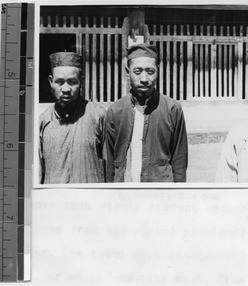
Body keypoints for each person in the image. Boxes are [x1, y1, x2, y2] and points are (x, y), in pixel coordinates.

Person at [106, 43, 188, 182]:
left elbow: (179, 161)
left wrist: (178, 194)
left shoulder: (173, 109)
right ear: (127, 72)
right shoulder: (115, 111)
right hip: (124, 192)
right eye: (137, 72)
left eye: (150, 71)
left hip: (160, 193)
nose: (144, 79)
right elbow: (109, 161)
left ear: (158, 70)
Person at [39, 52, 106, 183]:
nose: (66, 89)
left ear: (81, 81)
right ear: (50, 82)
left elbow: (110, 166)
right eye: (59, 82)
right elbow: (38, 173)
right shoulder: (43, 121)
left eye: (72, 82)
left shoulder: (98, 116)